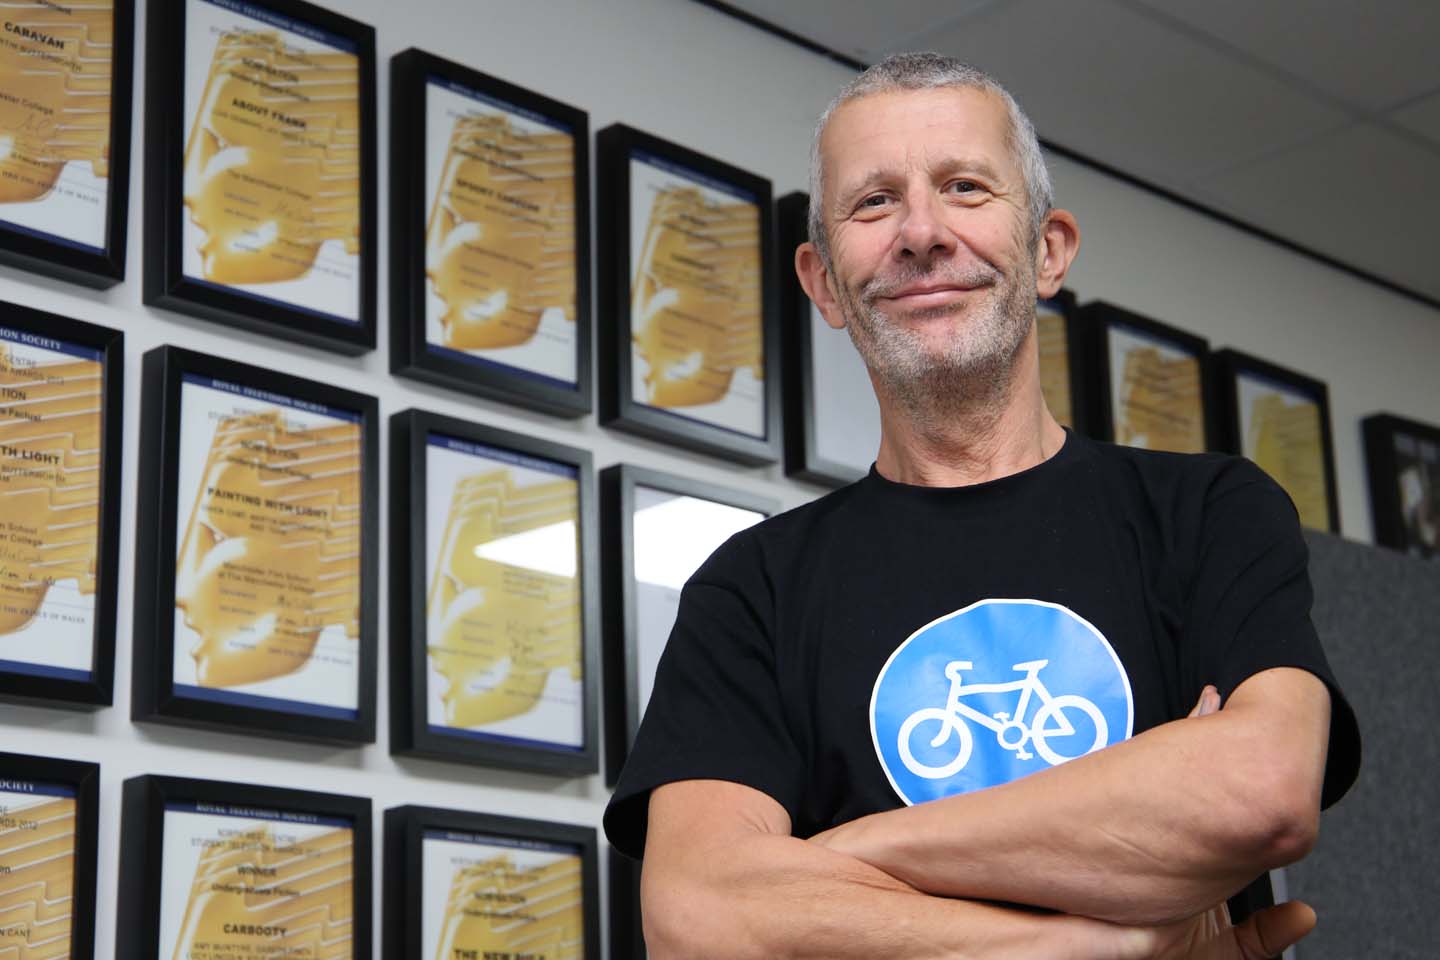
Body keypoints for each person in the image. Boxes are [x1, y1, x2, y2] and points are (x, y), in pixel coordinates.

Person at [604, 53, 1361, 959]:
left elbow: (1261, 793)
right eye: (873, 202)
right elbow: (701, 921)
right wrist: (1113, 944)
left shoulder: (1207, 512)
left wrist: (839, 859)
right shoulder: (749, 589)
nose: (922, 231)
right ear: (823, 283)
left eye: (964, 187)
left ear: (1049, 250)